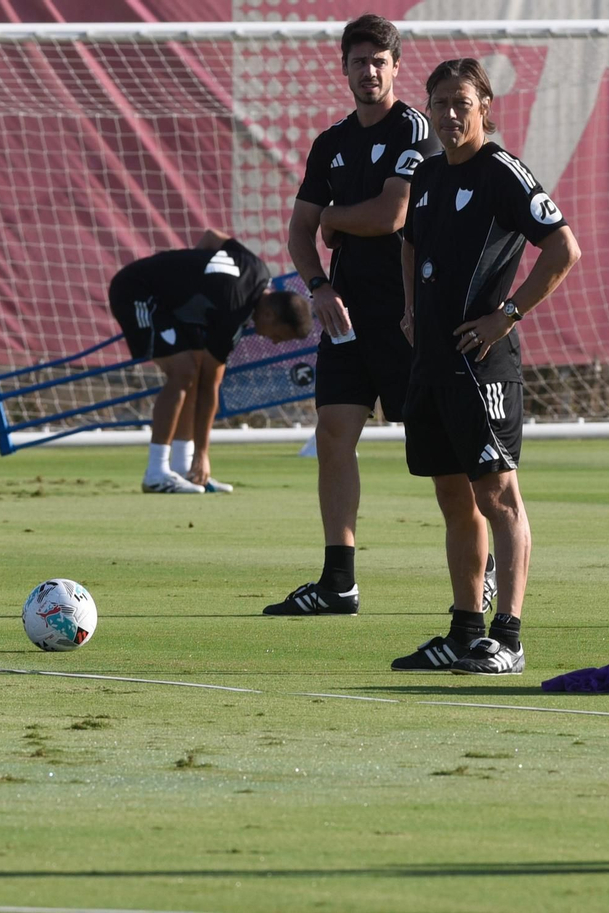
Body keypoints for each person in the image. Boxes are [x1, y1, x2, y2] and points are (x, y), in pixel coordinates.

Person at [267, 14, 499, 616]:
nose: (369, 71)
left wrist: (336, 218)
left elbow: (391, 216)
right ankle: (338, 580)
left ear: (397, 68)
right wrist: (317, 284)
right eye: (358, 61)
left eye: (380, 61)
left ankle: (486, 568)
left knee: (444, 453)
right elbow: (298, 229)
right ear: (343, 68)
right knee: (334, 433)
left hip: (410, 316)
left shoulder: (418, 129)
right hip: (346, 314)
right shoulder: (331, 142)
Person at [388, 59, 581, 675]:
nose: (449, 114)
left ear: (485, 106)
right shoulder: (428, 173)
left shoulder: (502, 171)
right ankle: (466, 630)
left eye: (461, 103)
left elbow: (562, 247)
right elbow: (409, 240)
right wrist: (412, 310)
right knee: (452, 495)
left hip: (481, 363)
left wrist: (508, 313)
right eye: (439, 102)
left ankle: (511, 637)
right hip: (433, 362)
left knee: (498, 495)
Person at [108, 230, 313, 493]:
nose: (272, 342)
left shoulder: (259, 270)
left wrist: (193, 276)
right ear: (270, 314)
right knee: (184, 373)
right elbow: (211, 386)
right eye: (278, 336)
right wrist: (204, 453)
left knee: (192, 371)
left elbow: (211, 237)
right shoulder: (233, 310)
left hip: (166, 302)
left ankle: (184, 470)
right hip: (136, 291)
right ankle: (156, 472)